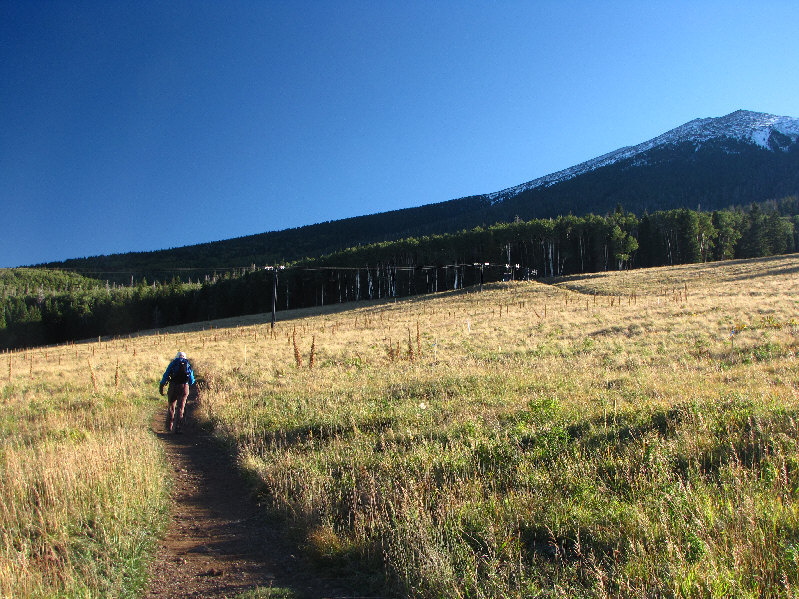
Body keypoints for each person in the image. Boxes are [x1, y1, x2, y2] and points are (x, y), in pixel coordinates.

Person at [159, 351, 195, 433]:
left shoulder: (173, 363)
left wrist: (162, 385)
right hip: (184, 387)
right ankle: (178, 428)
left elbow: (166, 375)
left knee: (171, 406)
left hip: (173, 386)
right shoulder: (187, 364)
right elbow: (192, 380)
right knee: (181, 407)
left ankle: (169, 427)